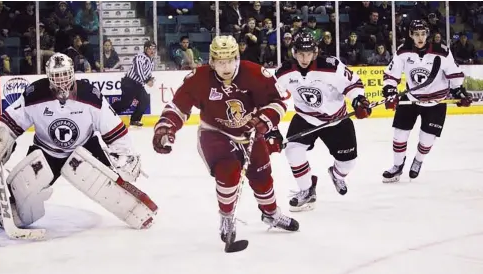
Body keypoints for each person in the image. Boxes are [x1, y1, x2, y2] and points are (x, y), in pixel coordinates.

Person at [0, 53, 157, 231]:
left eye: (65, 75)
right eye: (56, 76)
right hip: (46, 151)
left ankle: (136, 209)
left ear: (73, 73)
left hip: (86, 147)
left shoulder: (90, 96)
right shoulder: (34, 94)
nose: (61, 81)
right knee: (23, 195)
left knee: (111, 185)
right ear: (48, 76)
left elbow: (113, 128)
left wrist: (125, 153)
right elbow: (11, 123)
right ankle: (13, 209)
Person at [152, 35, 299, 245]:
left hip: (250, 133)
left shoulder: (255, 73)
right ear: (212, 61)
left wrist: (264, 121)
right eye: (221, 62)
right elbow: (178, 107)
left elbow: (279, 100)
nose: (226, 67)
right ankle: (227, 218)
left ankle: (271, 214)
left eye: (230, 60)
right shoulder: (199, 78)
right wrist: (166, 128)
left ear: (238, 58)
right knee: (229, 172)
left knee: (262, 175)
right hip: (215, 133)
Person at [267, 33, 372, 211]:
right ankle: (307, 190)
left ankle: (337, 174)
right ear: (294, 52)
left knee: (348, 162)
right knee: (292, 151)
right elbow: (271, 100)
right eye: (300, 53)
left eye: (308, 53)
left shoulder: (331, 66)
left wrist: (358, 100)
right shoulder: (284, 72)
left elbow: (352, 84)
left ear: (315, 52)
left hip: (336, 119)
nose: (304, 58)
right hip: (305, 118)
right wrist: (271, 130)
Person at [381, 20, 472, 183]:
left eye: (423, 34)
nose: (420, 38)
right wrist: (389, 91)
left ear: (428, 34)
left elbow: (455, 74)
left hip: (436, 102)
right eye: (416, 34)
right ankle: (397, 166)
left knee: (426, 140)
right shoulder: (403, 51)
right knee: (399, 135)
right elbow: (391, 75)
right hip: (412, 98)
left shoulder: (442, 51)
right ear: (410, 35)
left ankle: (418, 160)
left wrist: (459, 91)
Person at [111, 41, 156, 127]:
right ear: (146, 49)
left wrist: (150, 79)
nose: (153, 51)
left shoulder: (151, 60)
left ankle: (135, 119)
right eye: (151, 48)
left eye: (154, 49)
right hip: (129, 83)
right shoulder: (139, 57)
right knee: (126, 104)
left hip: (138, 85)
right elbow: (138, 71)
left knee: (145, 99)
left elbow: (148, 73)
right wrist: (147, 80)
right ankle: (108, 112)